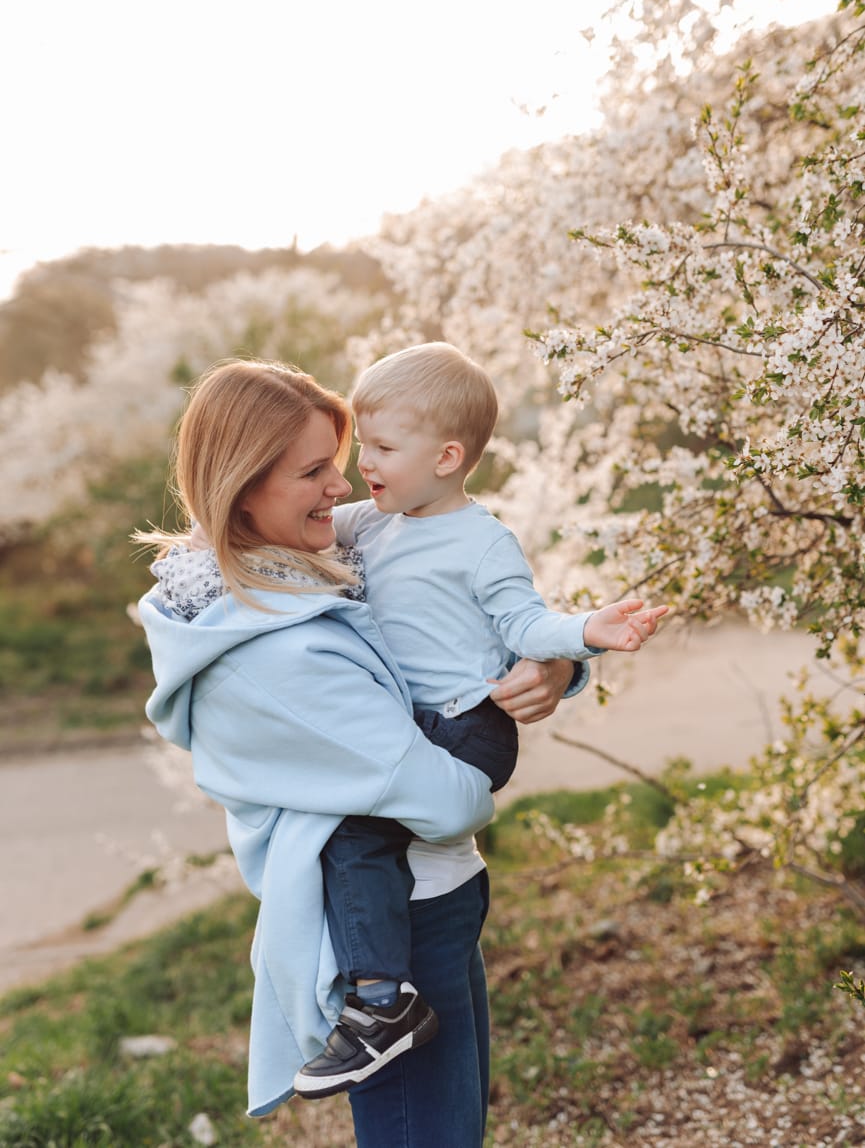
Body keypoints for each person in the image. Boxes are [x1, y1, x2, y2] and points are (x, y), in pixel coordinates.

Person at [135, 356, 579, 1147]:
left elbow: (451, 596)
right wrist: (477, 771)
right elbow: (445, 805)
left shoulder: (309, 569)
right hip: (401, 922)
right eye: (313, 472)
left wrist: (559, 665)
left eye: (339, 464)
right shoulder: (268, 648)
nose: (341, 487)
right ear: (241, 483)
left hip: (437, 893)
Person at [287, 341, 666, 1097]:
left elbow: (522, 625)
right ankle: (378, 996)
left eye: (384, 447)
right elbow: (303, 530)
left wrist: (587, 634)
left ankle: (379, 1001)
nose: (363, 462)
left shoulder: (481, 541)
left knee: (355, 831)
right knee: (354, 831)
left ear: (447, 456)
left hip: (469, 727)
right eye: (363, 443)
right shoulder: (371, 524)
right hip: (424, 725)